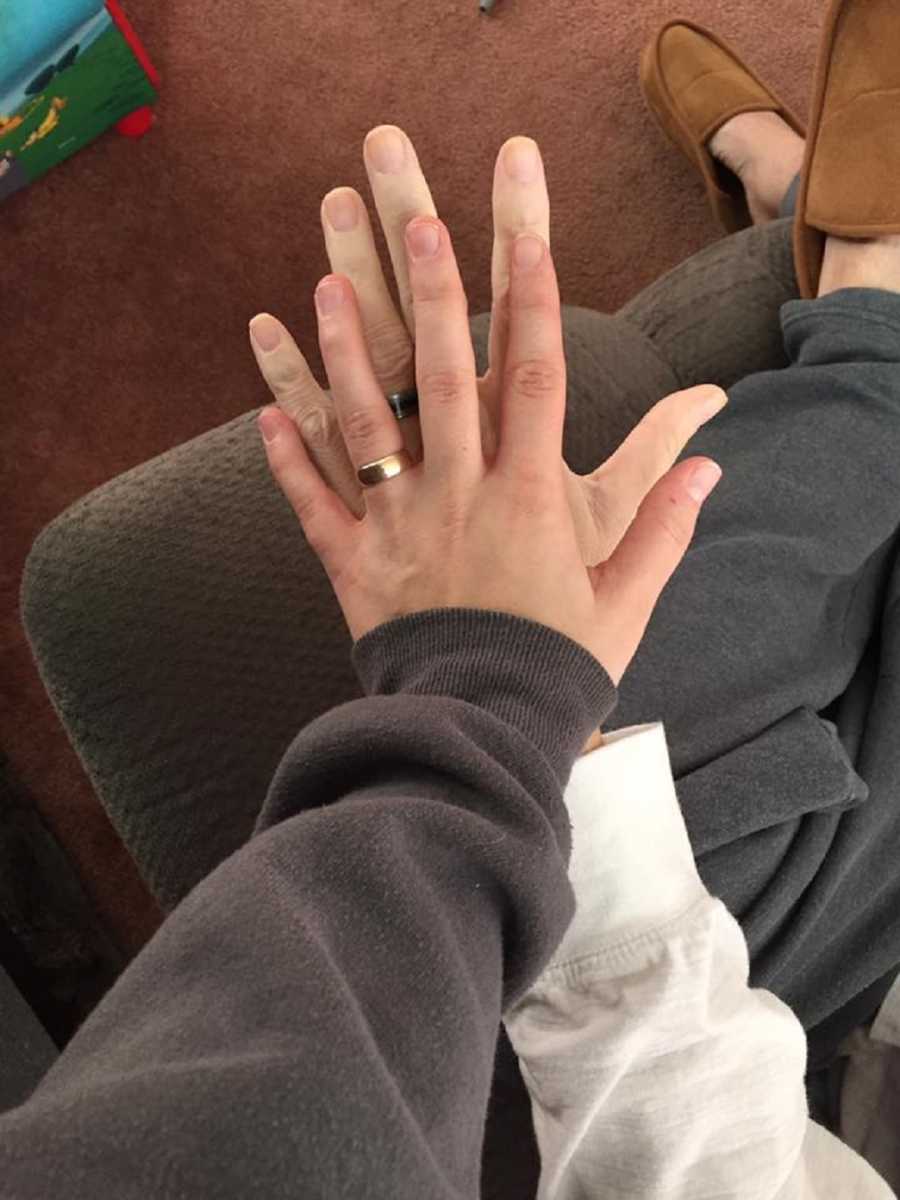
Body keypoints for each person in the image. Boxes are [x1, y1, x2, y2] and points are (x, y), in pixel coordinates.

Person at [1, 1, 899, 1197]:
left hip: (700, 1047)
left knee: (640, 696)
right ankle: (851, 292)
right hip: (836, 1039)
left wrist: (491, 692)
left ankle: (849, 282)